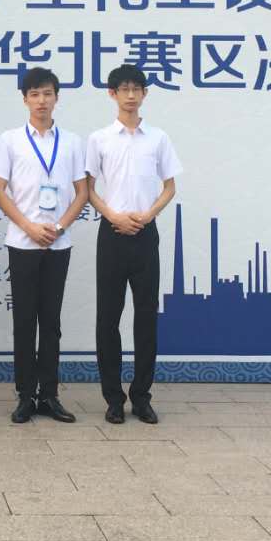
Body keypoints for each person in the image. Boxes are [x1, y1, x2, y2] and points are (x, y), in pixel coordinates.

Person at [0, 67, 89, 424]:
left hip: (58, 244)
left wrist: (59, 227)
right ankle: (25, 395)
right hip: (22, 242)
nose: (41, 100)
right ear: (25, 99)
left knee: (51, 321)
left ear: (57, 97)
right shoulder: (9, 140)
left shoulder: (72, 142)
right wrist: (29, 226)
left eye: (47, 93)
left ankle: (50, 394)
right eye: (34, 94)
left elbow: (83, 192)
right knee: (24, 320)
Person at [85, 64, 183, 425]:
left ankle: (141, 397)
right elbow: (88, 189)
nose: (130, 95)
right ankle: (113, 398)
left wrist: (146, 215)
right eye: (123, 89)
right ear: (112, 94)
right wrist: (114, 215)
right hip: (111, 234)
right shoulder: (99, 139)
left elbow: (169, 187)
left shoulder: (158, 138)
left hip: (145, 233)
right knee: (107, 319)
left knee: (146, 317)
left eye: (136, 89)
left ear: (144, 94)